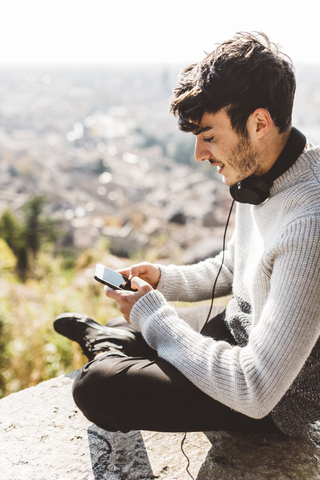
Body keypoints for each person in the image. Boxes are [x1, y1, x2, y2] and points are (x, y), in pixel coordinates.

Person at [54, 32, 320, 437]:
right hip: (239, 328)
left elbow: (257, 388)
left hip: (272, 400)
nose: (199, 154)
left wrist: (158, 317)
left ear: (260, 122)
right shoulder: (264, 174)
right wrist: (165, 279)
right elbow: (238, 262)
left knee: (98, 385)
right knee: (134, 317)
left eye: (209, 137)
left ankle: (103, 345)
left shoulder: (309, 223)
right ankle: (112, 336)